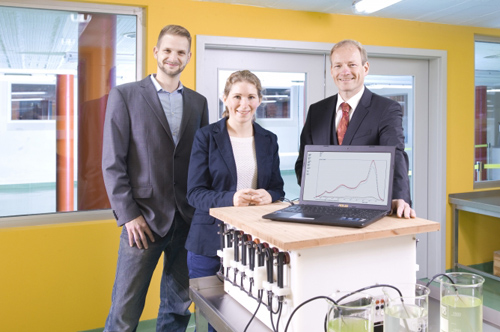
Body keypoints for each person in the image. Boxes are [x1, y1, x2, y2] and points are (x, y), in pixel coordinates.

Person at [101, 24, 209, 332]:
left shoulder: (198, 103)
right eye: (167, 50)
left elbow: (202, 162)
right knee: (125, 308)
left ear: (188, 57)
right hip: (142, 223)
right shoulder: (125, 96)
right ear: (155, 53)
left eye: (180, 52)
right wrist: (128, 215)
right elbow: (112, 162)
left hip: (187, 220)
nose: (173, 57)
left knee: (177, 308)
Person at [185, 70, 285, 331]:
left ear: (260, 100)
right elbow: (195, 193)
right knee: (213, 321)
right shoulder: (206, 137)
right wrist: (232, 198)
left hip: (251, 243)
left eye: (251, 96)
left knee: (247, 318)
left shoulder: (268, 139)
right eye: (237, 96)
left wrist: (269, 195)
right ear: (225, 99)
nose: (244, 103)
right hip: (208, 241)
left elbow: (278, 188)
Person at [295, 39, 416, 219]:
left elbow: (396, 155)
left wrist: (399, 196)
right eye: (338, 66)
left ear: (365, 68)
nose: (345, 71)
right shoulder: (317, 111)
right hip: (322, 210)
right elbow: (303, 162)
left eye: (352, 64)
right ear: (331, 71)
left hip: (368, 212)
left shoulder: (386, 109)